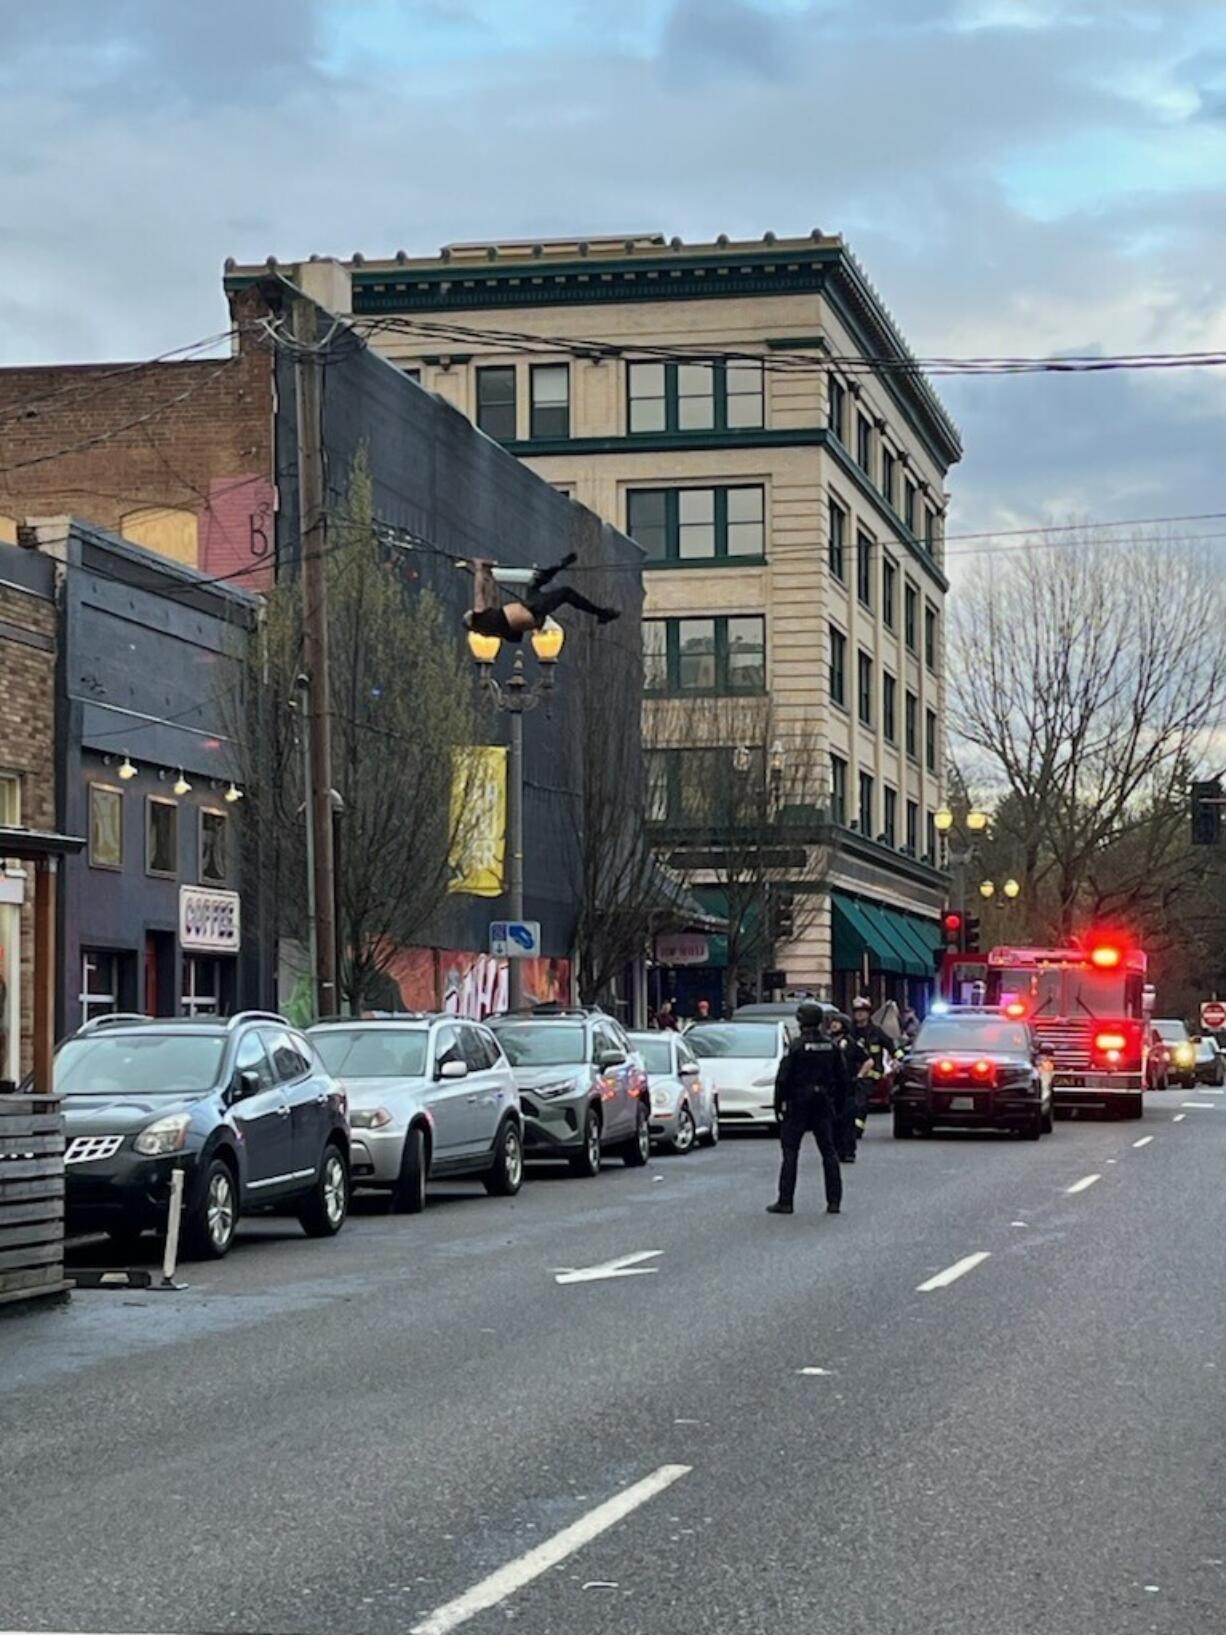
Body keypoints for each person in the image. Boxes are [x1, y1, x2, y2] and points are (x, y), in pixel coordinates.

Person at [767, 1000, 849, 1217]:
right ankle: (834, 1201)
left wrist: (778, 1106)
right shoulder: (830, 1046)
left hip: (798, 1103)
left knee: (790, 1153)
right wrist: (838, 1107)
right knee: (829, 1152)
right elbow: (842, 1079)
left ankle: (786, 1201)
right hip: (823, 1103)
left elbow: (782, 1079)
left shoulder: (796, 1047)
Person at [464, 554, 619, 643]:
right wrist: (479, 568)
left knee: (536, 581)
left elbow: (492, 596)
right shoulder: (478, 618)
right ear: (471, 620)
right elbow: (479, 592)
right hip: (531, 610)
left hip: (531, 612)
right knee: (565, 593)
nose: (473, 610)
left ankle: (559, 566)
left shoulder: (489, 627)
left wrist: (488, 574)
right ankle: (601, 613)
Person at [848, 996, 896, 1149]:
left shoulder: (876, 1032)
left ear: (868, 1014)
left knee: (860, 1103)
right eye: (857, 1012)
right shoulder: (850, 1032)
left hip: (870, 1076)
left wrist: (898, 1058)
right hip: (851, 1074)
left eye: (862, 1012)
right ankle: (849, 1128)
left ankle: (857, 1130)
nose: (859, 1015)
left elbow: (891, 1046)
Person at [827, 1011, 866, 1162]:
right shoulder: (828, 1042)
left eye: (837, 1022)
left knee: (847, 1120)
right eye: (832, 1022)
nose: (833, 1025)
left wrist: (860, 1075)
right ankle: (836, 1150)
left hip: (848, 1087)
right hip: (831, 1088)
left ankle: (849, 1151)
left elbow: (867, 1060)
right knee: (832, 1121)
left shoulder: (850, 1043)